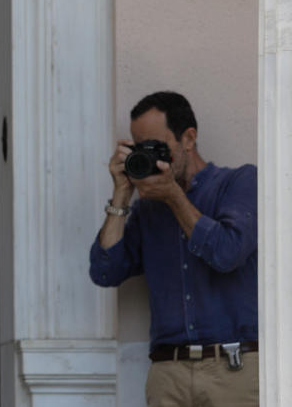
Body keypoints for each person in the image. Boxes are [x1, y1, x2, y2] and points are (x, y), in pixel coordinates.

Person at [89, 91, 257, 406]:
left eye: (156, 146)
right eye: (140, 148)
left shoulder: (239, 182)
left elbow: (227, 253)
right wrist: (122, 194)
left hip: (232, 369)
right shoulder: (147, 209)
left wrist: (174, 197)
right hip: (168, 371)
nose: (149, 156)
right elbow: (104, 271)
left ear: (188, 138)